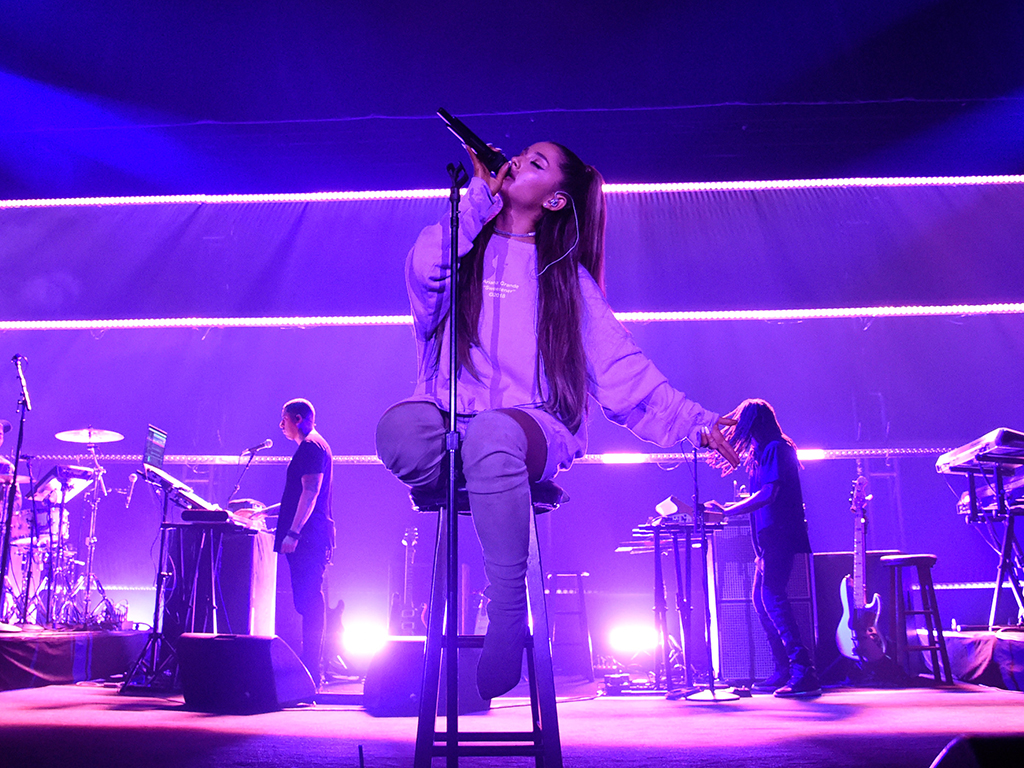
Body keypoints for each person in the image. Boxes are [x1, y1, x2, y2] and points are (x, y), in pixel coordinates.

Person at [376, 140, 739, 700]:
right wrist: (475, 201)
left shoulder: (567, 281)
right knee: (397, 430)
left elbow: (624, 373)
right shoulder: (461, 249)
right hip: (455, 421)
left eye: (537, 164)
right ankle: (480, 471)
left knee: (495, 436)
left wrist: (699, 423)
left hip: (532, 425)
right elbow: (423, 270)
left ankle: (505, 611)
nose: (519, 162)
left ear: (555, 201)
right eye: (521, 155)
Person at [705, 398, 821, 698]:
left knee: (773, 599)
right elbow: (761, 495)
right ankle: (783, 668)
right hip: (769, 539)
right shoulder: (765, 452)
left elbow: (770, 493)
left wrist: (728, 512)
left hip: (780, 535)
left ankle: (803, 670)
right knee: (763, 600)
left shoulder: (775, 449)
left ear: (755, 424)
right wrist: (728, 508)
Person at [276, 398, 335, 686]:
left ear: (297, 419)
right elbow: (300, 494)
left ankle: (312, 671)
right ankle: (311, 669)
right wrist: (262, 511)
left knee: (310, 602)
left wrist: (294, 532)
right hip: (309, 535)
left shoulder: (311, 446)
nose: (281, 425)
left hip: (308, 538)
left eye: (284, 419)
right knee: (307, 601)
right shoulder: (312, 446)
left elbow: (311, 491)